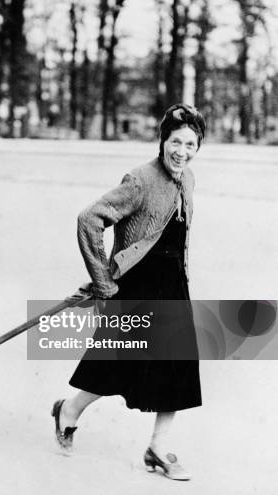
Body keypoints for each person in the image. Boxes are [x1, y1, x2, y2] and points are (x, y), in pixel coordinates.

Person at [51, 103, 206, 481]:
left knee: (178, 367)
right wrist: (104, 282)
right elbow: (89, 219)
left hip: (171, 287)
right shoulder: (139, 180)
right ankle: (68, 411)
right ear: (161, 140)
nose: (181, 152)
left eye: (190, 144)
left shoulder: (187, 179)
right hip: (136, 287)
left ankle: (158, 448)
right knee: (113, 366)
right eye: (175, 142)